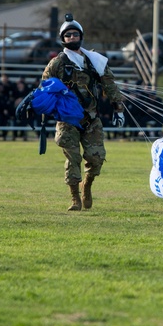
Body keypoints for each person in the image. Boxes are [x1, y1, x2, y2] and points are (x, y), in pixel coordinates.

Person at [42, 14, 126, 211]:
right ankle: (74, 198)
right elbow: (44, 87)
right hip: (67, 118)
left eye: (75, 34)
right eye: (68, 35)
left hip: (91, 118)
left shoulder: (94, 60)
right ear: (63, 39)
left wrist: (118, 108)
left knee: (96, 158)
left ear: (81, 36)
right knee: (73, 158)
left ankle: (86, 186)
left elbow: (109, 85)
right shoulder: (57, 63)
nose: (72, 38)